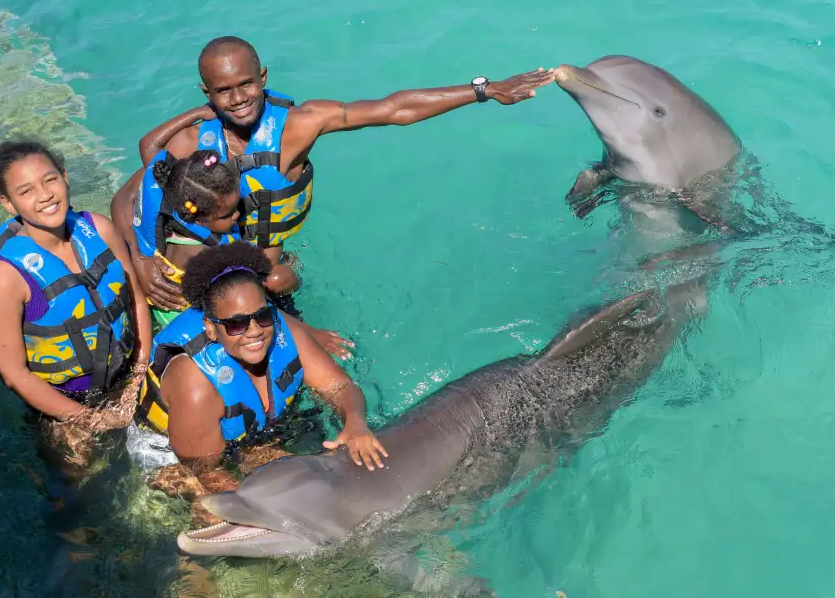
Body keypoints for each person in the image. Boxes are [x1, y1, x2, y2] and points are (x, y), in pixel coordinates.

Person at [111, 35, 556, 315]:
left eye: (246, 84)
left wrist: (483, 90)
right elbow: (128, 198)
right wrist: (140, 259)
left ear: (263, 76)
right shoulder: (193, 144)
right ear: (207, 94)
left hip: (262, 275)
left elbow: (393, 109)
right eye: (223, 92)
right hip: (214, 280)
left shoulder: (299, 125)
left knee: (283, 281)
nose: (239, 98)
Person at [136, 242, 386, 519]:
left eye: (262, 316)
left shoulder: (279, 328)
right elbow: (206, 470)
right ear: (211, 328)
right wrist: (283, 513)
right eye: (236, 324)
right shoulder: (196, 383)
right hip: (177, 455)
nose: (255, 331)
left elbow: (340, 388)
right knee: (212, 514)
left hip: (255, 435)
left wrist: (355, 422)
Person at [0, 140, 153, 474]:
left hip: (127, 375)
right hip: (65, 404)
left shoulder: (100, 228)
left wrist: (139, 373)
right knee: (76, 481)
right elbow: (13, 374)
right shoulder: (7, 277)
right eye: (26, 190)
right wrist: (92, 419)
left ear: (65, 176)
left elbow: (134, 299)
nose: (44, 195)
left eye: (50, 180)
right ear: (8, 202)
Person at [136, 148, 352, 357]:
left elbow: (149, 145)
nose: (236, 215)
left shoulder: (179, 210)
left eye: (236, 207)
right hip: (192, 317)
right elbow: (255, 301)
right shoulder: (207, 255)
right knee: (282, 277)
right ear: (200, 219)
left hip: (177, 302)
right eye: (227, 215)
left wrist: (198, 114)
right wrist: (310, 333)